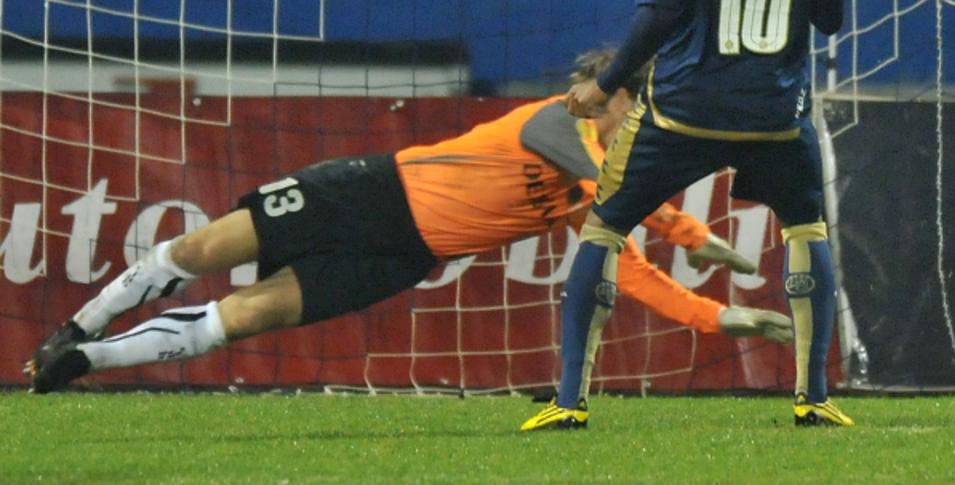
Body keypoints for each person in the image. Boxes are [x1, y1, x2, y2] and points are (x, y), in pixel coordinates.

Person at [24, 50, 791, 394]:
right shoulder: (551, 122)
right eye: (612, 91)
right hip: (367, 191)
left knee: (244, 317)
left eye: (627, 99)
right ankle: (77, 326)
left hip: (400, 254)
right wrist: (693, 231)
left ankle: (82, 364)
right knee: (201, 245)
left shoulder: (589, 191)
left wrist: (722, 316)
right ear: (591, 89)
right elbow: (613, 188)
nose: (612, 105)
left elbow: (628, 265)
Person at [521, 0, 852, 431]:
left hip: (681, 111)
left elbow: (659, 11)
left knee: (605, 227)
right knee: (807, 229)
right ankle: (813, 397)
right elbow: (831, 19)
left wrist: (608, 82)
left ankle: (569, 400)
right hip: (774, 116)